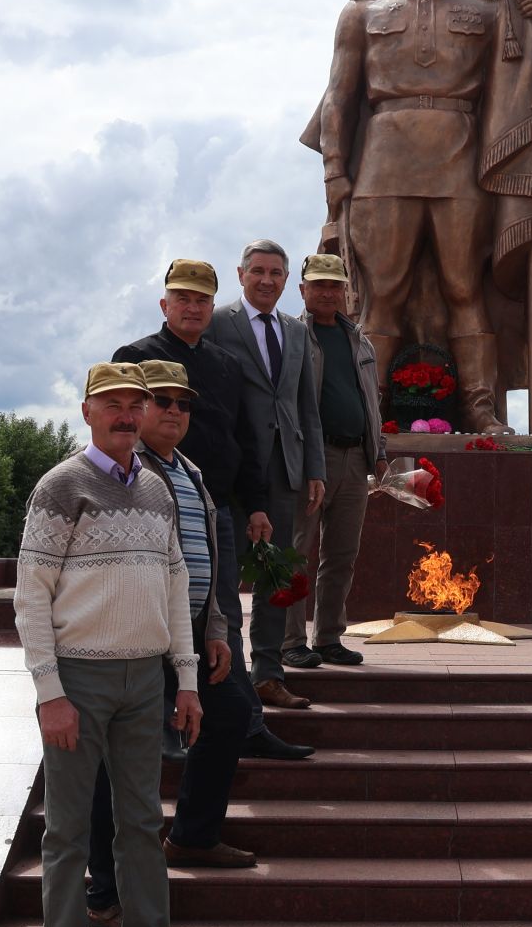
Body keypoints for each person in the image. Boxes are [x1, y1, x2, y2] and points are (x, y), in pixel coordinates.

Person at [303, 0, 532, 433]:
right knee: (380, 293)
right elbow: (339, 99)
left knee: (466, 288)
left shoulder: (485, 11)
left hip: (461, 161)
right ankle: (369, 413)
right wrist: (335, 172)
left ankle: (480, 409)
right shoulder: (362, 11)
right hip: (383, 162)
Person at [14, 362, 221, 927]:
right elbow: (31, 596)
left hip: (143, 679)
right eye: (113, 404)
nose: (126, 415)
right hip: (78, 679)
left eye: (137, 404)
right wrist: (50, 691)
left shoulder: (157, 491)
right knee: (69, 832)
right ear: (87, 412)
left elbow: (174, 581)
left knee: (141, 825)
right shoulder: (60, 487)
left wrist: (185, 680)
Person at [82, 360, 267, 927]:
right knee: (116, 763)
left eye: (184, 403)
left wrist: (216, 629)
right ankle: (104, 892)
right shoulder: (125, 474)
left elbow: (200, 562)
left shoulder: (189, 473)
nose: (174, 412)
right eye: (161, 401)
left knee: (232, 713)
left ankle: (191, 835)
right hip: (133, 638)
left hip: (187, 634)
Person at [114, 258, 313, 760]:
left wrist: (257, 506)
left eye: (202, 299)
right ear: (165, 304)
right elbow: (117, 429)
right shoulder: (136, 357)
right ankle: (161, 733)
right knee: (159, 619)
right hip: (152, 511)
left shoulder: (226, 365)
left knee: (222, 620)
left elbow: (242, 441)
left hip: (217, 512)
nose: (193, 307)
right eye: (182, 298)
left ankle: (242, 725)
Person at [209, 240, 326, 709]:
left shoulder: (297, 332)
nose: (266, 280)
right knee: (226, 571)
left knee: (275, 571)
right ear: (240, 276)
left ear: (285, 281)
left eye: (276, 273)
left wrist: (315, 466)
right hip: (233, 466)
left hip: (285, 466)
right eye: (257, 271)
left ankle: (269, 672)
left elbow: (306, 404)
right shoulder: (219, 323)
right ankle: (227, 672)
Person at [283, 253, 388, 668]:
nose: (327, 292)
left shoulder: (360, 340)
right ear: (303, 289)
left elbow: (371, 402)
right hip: (311, 457)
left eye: (335, 285)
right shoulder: (291, 335)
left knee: (341, 555)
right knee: (295, 553)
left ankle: (327, 638)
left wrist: (378, 454)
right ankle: (290, 641)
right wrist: (305, 462)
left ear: (346, 291)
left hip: (355, 458)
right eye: (319, 284)